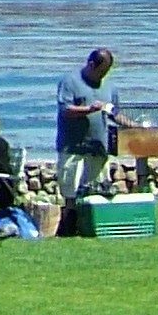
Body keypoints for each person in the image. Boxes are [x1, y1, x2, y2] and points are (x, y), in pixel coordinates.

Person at [55, 48, 118, 202]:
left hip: (98, 149)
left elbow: (115, 113)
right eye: (101, 71)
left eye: (106, 72)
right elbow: (66, 110)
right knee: (71, 196)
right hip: (72, 149)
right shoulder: (70, 82)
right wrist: (89, 109)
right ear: (91, 64)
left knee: (97, 195)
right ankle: (70, 216)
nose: (103, 75)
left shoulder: (109, 86)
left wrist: (135, 125)